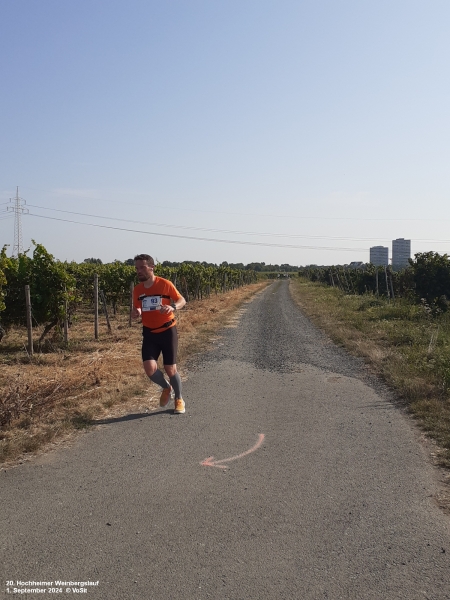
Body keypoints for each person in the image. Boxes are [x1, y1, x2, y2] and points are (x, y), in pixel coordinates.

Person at [131, 254, 187, 414]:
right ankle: (166, 387)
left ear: (152, 267)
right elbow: (138, 306)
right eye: (137, 268)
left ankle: (179, 399)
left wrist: (172, 307)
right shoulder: (137, 289)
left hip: (168, 331)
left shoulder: (165, 284)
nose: (139, 271)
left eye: (142, 267)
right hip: (149, 333)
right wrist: (137, 312)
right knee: (149, 369)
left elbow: (182, 300)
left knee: (170, 368)